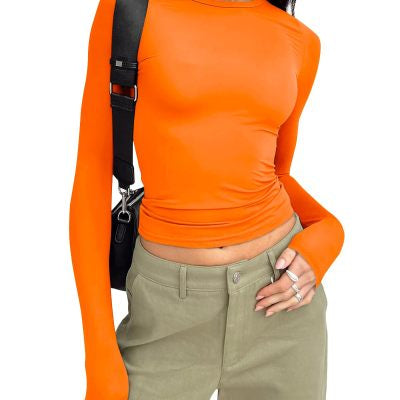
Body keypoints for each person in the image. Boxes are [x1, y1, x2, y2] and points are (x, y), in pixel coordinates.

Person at [69, 0, 345, 399]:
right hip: (165, 312)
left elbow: (276, 174)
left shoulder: (300, 41)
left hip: (281, 307)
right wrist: (98, 357)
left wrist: (330, 235)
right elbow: (91, 179)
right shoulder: (130, 12)